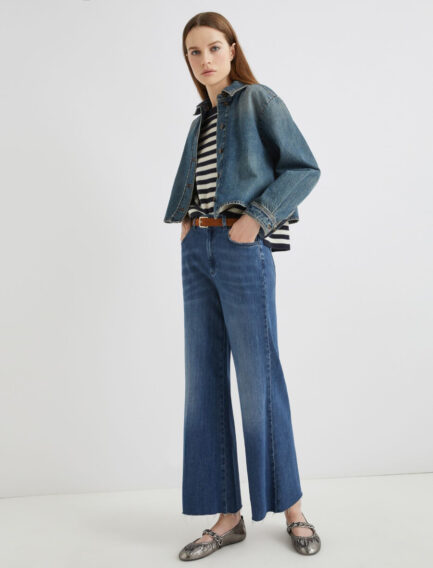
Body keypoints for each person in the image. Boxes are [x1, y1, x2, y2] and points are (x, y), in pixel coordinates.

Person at [163, 11, 322, 561]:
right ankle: (227, 518)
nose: (204, 59)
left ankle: (293, 509)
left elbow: (303, 168)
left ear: (232, 49)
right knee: (203, 384)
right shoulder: (200, 122)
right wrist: (188, 224)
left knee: (259, 381)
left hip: (240, 249)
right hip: (198, 253)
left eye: (214, 47)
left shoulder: (257, 100)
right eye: (194, 51)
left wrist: (257, 217)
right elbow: (198, 183)